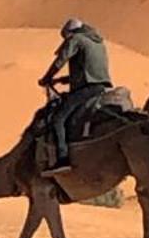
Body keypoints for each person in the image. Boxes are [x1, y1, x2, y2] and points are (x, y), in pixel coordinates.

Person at [39, 17, 113, 172]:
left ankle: (63, 158)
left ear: (69, 33)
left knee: (58, 119)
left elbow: (61, 60)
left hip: (85, 90)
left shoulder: (76, 39)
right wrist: (62, 80)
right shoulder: (97, 42)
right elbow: (88, 70)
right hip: (100, 88)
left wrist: (47, 77)